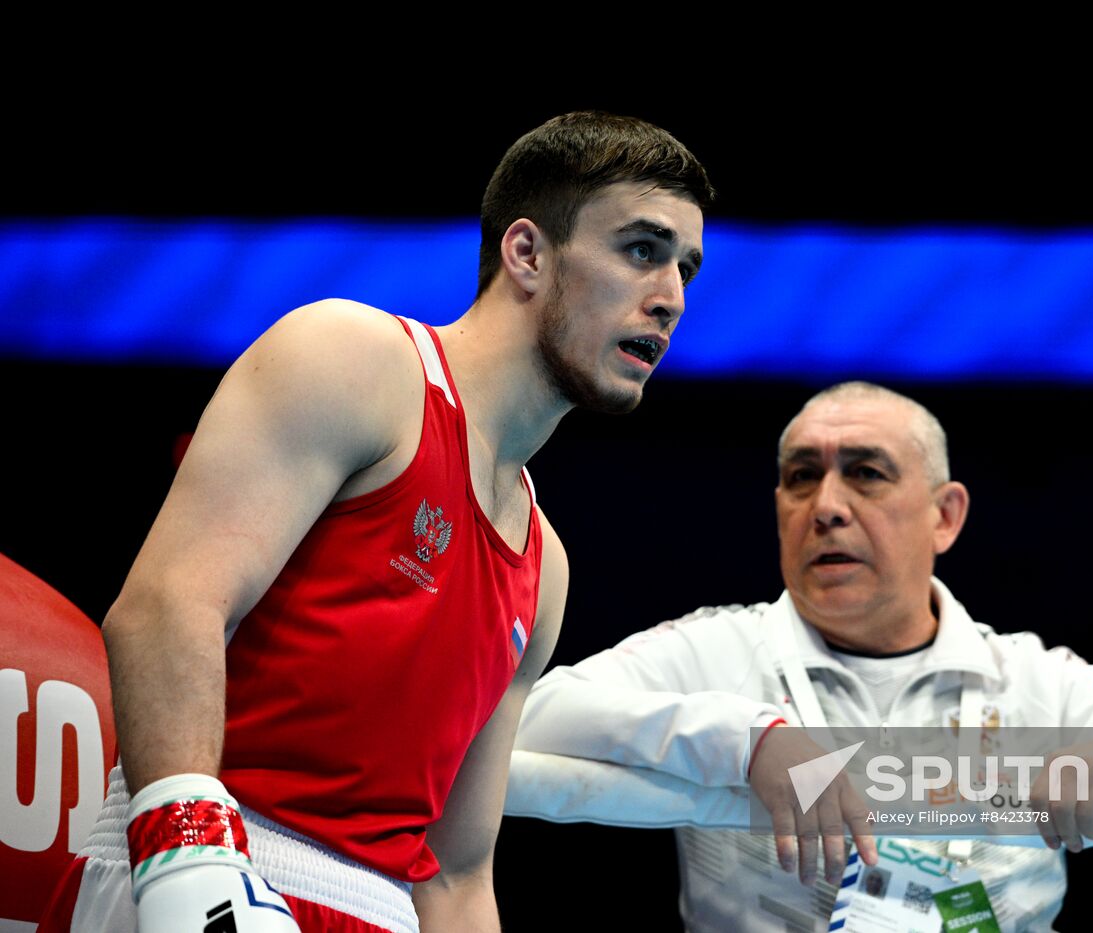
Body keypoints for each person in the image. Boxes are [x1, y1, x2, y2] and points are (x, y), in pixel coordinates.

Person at [38, 110, 713, 933]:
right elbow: (166, 608)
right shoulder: (355, 360)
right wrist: (189, 850)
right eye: (642, 250)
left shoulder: (546, 567)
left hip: (379, 908)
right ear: (527, 253)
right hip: (201, 856)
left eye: (686, 267)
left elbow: (458, 869)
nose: (671, 298)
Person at [512, 381, 1093, 932]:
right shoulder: (717, 652)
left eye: (867, 473)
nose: (827, 505)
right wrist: (747, 738)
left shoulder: (1036, 681)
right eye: (801, 476)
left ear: (944, 516)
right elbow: (530, 720)